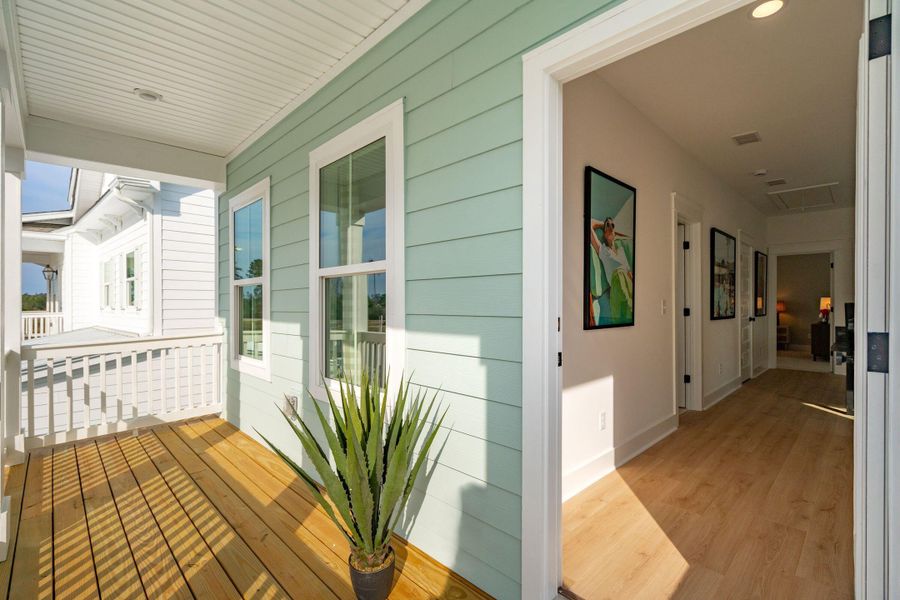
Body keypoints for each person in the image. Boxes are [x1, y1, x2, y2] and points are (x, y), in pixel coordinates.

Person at [589, 217, 633, 323]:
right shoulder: (604, 251)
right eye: (607, 226)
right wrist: (601, 224)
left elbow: (629, 273)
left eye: (612, 226)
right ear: (604, 232)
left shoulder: (621, 251)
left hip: (628, 285)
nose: (610, 228)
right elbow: (589, 224)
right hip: (617, 284)